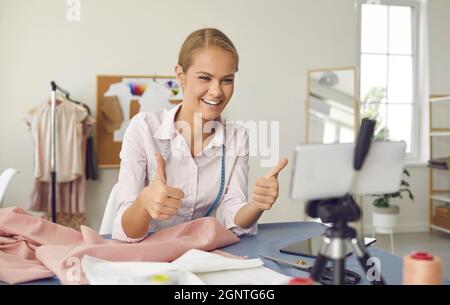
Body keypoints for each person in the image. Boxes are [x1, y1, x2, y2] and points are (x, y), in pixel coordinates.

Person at [112, 28, 288, 242]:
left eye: (227, 80)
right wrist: (143, 203)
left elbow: (233, 215)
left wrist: (257, 205)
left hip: (199, 254)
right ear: (180, 75)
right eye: (205, 78)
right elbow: (124, 231)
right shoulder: (143, 129)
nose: (216, 91)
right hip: (148, 257)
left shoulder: (237, 136)